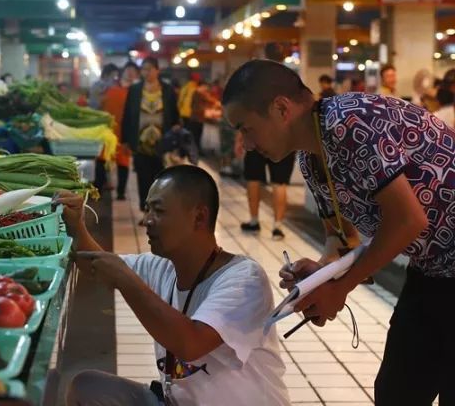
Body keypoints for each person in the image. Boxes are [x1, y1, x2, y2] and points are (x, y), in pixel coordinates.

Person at [222, 59, 455, 406]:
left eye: (246, 128)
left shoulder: (350, 121)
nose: (247, 144)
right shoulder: (312, 159)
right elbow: (341, 238)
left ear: (281, 108)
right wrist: (321, 275)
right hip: (433, 271)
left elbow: (408, 221)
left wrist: (341, 288)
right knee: (397, 391)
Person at [57, 165, 289, 406]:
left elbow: (191, 344)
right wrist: (77, 227)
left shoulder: (244, 279)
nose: (146, 220)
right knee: (87, 388)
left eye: (158, 210)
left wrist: (125, 280)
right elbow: (99, 267)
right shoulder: (162, 266)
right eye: (147, 209)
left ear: (199, 217)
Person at [121, 57, 179, 222]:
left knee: (161, 179)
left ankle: (160, 211)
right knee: (143, 177)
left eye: (149, 69)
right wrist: (125, 140)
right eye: (144, 69)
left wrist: (175, 133)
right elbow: (127, 116)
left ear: (157, 70)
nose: (146, 72)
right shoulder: (135, 90)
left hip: (162, 143)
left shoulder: (167, 90)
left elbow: (175, 115)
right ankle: (146, 212)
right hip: (140, 142)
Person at [94, 62, 137, 199]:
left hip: (125, 132)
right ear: (122, 72)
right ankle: (98, 189)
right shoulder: (109, 88)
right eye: (128, 70)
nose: (130, 73)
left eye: (133, 71)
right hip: (108, 131)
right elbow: (98, 106)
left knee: (123, 162)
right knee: (102, 160)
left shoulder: (136, 91)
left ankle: (121, 193)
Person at [240, 149, 295, 241]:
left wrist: (239, 139)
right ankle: (277, 228)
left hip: (257, 140)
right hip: (283, 142)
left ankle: (254, 222)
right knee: (279, 183)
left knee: (253, 179)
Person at [178, 72, 200, 137]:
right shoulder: (196, 89)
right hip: (192, 114)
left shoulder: (184, 88)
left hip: (183, 113)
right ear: (196, 80)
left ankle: (183, 144)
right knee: (192, 133)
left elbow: (180, 100)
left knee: (184, 131)